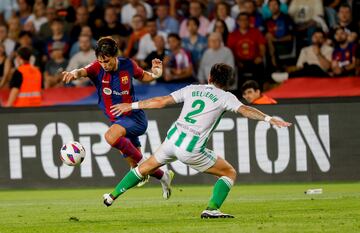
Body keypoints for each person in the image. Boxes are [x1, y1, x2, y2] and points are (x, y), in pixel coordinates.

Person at [103, 63, 291, 218]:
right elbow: (246, 110)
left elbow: (161, 101)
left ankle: (111, 196)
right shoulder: (226, 97)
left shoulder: (193, 89)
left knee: (143, 168)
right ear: (228, 82)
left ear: (209, 77)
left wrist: (132, 105)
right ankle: (211, 208)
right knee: (229, 173)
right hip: (190, 149)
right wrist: (268, 118)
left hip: (172, 139)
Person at [62, 37, 173, 198]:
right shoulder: (96, 67)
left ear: (115, 56)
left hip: (135, 118)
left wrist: (157, 72)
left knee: (110, 136)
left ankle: (145, 165)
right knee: (136, 170)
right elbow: (81, 71)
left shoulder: (128, 65)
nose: (104, 65)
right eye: (101, 61)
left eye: (107, 61)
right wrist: (72, 74)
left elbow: (146, 76)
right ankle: (163, 176)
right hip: (118, 121)